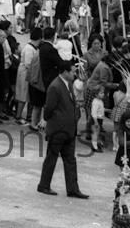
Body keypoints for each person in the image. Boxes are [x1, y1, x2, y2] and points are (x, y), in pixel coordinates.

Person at [38, 59, 89, 199]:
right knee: (52, 158)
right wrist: (49, 121)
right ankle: (44, 185)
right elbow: (49, 108)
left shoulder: (68, 84)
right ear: (65, 72)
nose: (74, 74)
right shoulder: (55, 86)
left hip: (68, 129)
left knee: (70, 160)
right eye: (72, 71)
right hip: (58, 129)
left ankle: (72, 188)